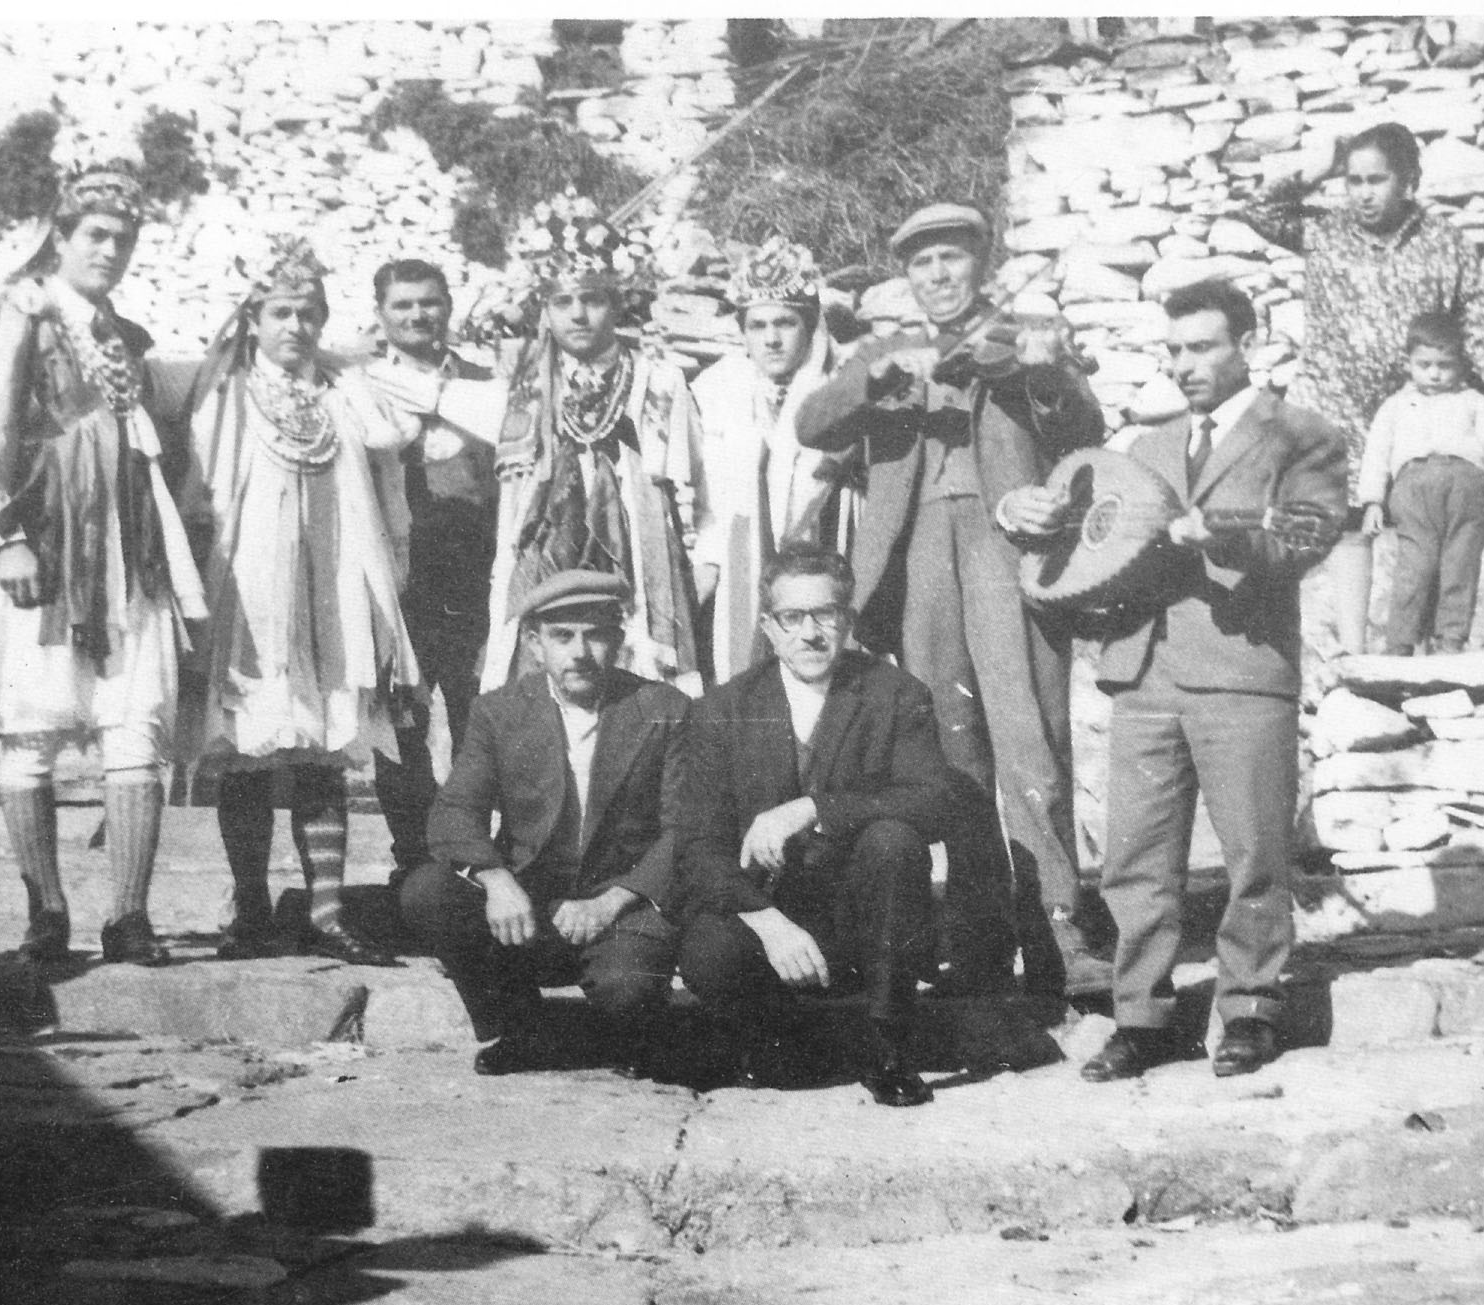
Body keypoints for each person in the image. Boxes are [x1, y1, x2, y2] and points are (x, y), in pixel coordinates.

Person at [1005, 281, 1342, 1082]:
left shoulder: (1300, 433)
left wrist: (1215, 532)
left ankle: (1250, 1010)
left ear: (1246, 344)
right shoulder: (1145, 447)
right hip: (1142, 670)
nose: (1184, 363)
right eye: (1174, 350)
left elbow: (1307, 533)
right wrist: (1025, 517)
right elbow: (1094, 544)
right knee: (1135, 859)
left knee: (1254, 853)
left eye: (1202, 347)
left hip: (1240, 668)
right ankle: (1142, 1018)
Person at [795, 202, 1105, 998]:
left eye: (952, 258)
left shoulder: (1027, 335)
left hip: (1008, 547)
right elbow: (812, 422)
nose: (937, 275)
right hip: (919, 558)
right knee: (951, 754)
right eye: (921, 263)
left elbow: (1083, 427)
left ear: (981, 260)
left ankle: (1060, 931)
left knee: (1030, 743)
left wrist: (1039, 372)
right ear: (906, 274)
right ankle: (977, 940)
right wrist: (874, 378)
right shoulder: (883, 349)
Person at [0, 157, 207, 968]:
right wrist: (2, 537)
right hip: (41, 550)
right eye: (96, 235)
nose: (110, 250)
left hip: (127, 553)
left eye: (124, 239)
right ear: (61, 238)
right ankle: (45, 913)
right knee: (30, 731)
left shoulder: (126, 339)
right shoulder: (22, 318)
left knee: (134, 727)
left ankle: (130, 917)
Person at [172, 234, 418, 965]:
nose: (296, 327)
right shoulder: (227, 392)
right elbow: (199, 490)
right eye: (280, 312)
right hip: (251, 585)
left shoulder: (343, 390)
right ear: (253, 320)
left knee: (322, 747)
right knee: (249, 745)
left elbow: (388, 445)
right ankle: (250, 907)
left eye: (309, 313)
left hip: (332, 580)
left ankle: (328, 912)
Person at [674, 545, 958, 1107]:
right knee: (710, 953)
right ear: (768, 627)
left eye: (825, 614)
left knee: (894, 840)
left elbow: (933, 802)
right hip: (769, 913)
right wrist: (768, 922)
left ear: (847, 620)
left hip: (863, 920)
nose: (809, 633)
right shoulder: (723, 709)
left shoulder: (895, 693)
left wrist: (812, 809)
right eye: (791, 617)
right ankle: (788, 1043)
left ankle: (889, 1047)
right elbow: (697, 846)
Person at [396, 571, 688, 1078]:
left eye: (594, 635)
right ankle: (517, 1027)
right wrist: (496, 880)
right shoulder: (500, 711)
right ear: (534, 644)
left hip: (623, 908)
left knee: (627, 993)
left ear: (618, 638)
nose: (579, 652)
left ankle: (618, 1031)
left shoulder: (664, 709)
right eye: (562, 636)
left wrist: (612, 901)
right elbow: (454, 811)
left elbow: (685, 828)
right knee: (427, 891)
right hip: (531, 908)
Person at [1236, 121, 1484, 654]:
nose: (1363, 193)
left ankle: (1427, 645)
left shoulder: (1444, 242)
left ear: (1407, 180)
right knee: (1348, 524)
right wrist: (1318, 167)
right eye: (1353, 181)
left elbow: (1476, 319)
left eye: (1376, 180)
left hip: (1413, 410)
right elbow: (1258, 209)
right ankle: (1355, 651)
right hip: (1333, 400)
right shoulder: (1324, 231)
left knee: (1422, 528)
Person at [437, 193, 709, 695]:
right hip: (545, 546)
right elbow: (438, 394)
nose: (578, 315)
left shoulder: (659, 379)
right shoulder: (524, 383)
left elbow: (692, 493)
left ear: (617, 304)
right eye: (563, 302)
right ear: (546, 310)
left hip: (638, 553)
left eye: (593, 299)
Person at [359, 258, 500, 884]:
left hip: (473, 580)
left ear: (448, 305)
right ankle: (413, 861)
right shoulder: (361, 386)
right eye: (403, 304)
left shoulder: (483, 383)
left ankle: (475, 858)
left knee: (480, 721)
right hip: (400, 583)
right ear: (381, 314)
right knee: (402, 727)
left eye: (429, 302)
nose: (418, 315)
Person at [691, 236, 859, 678]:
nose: (771, 339)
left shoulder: (839, 387)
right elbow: (708, 494)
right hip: (744, 560)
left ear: (809, 325)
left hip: (824, 551)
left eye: (785, 323)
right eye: (757, 326)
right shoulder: (718, 390)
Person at [1358, 312, 1484, 655]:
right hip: (1413, 489)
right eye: (1424, 364)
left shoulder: (1475, 402)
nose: (1434, 374)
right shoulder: (1395, 406)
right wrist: (1372, 501)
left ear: (1461, 364)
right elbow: (1376, 454)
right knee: (1414, 567)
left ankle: (1451, 639)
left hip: (1466, 488)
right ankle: (1400, 642)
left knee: (1461, 563)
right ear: (1408, 363)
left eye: (1445, 365)